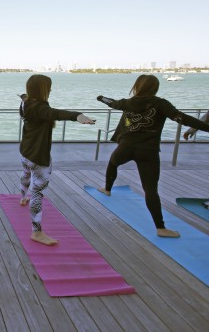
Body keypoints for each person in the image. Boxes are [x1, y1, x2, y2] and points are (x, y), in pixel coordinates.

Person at [97, 74, 209, 238]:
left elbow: (112, 103)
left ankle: (107, 189)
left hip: (126, 147)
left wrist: (100, 97)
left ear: (137, 86)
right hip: (148, 151)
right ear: (155, 88)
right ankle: (161, 228)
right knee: (150, 189)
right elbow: (183, 119)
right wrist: (207, 128)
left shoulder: (127, 103)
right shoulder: (160, 104)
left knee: (113, 163)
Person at [19, 74, 95, 245]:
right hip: (38, 156)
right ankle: (36, 232)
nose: (51, 90)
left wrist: (23, 96)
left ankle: (23, 197)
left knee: (25, 174)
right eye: (49, 87)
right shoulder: (39, 108)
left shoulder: (26, 103)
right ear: (42, 89)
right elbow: (55, 113)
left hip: (25, 151)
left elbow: (28, 100)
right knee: (37, 193)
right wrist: (77, 116)